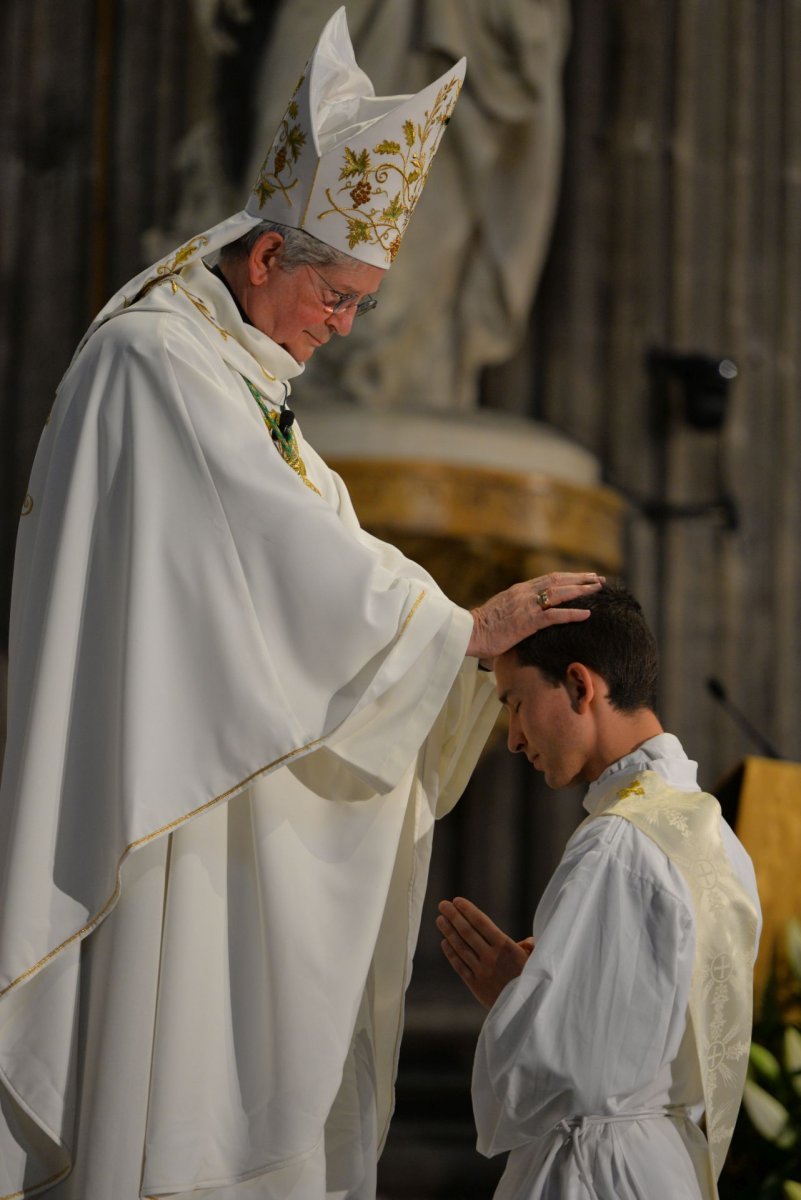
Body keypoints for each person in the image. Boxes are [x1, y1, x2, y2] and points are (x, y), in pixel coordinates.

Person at [0, 9, 603, 1200]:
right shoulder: (157, 362)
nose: (343, 329)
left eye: (365, 310)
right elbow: (281, 554)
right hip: (165, 793)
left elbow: (318, 538)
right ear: (268, 258)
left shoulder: (240, 379)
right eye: (339, 299)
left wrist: (441, 642)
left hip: (220, 784)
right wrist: (455, 631)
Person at [437, 585, 761, 1200]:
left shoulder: (617, 843)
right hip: (663, 1164)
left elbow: (558, 1077)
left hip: (597, 1172)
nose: (511, 737)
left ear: (581, 686)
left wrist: (514, 996)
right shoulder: (710, 829)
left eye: (516, 702)